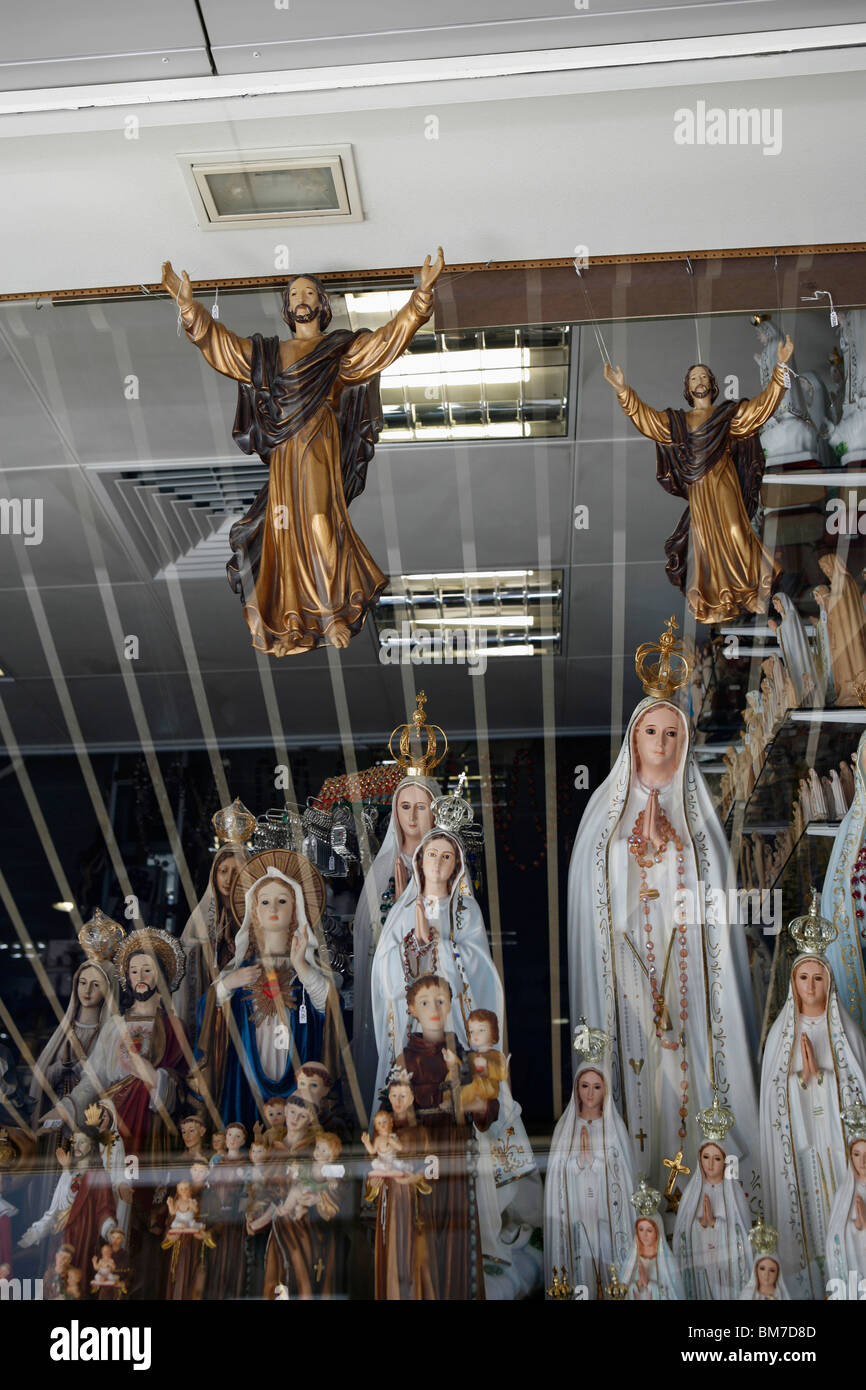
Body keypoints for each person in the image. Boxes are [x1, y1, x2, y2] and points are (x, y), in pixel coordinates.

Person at [160, 255, 444, 656]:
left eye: (309, 292)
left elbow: (382, 344)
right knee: (285, 533)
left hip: (319, 444)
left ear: (321, 303)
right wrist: (190, 308)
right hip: (286, 451)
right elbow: (225, 349)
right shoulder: (270, 353)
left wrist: (421, 298)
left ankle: (331, 612)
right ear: (287, 307)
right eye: (294, 294)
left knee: (319, 522)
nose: (301, 299)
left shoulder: (336, 351)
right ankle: (292, 621)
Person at [568, 691, 759, 1178]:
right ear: (633, 740)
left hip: (687, 962)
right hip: (628, 964)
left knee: (688, 1057)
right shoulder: (605, 813)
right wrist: (636, 853)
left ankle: (700, 1175)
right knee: (638, 1061)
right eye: (650, 732)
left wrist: (672, 849)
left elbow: (711, 891)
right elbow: (594, 895)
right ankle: (641, 1181)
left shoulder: (698, 817)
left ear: (684, 742)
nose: (660, 743)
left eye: (671, 733)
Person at [604, 346, 791, 623]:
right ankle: (725, 598)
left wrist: (780, 370)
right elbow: (649, 421)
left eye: (703, 377)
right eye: (693, 378)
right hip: (699, 488)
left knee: (736, 531)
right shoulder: (680, 422)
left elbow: (760, 409)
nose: (699, 381)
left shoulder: (726, 415)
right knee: (707, 545)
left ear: (712, 384)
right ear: (688, 388)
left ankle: (754, 589)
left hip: (724, 479)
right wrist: (623, 391)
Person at [760, 901, 866, 1299]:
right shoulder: (781, 1036)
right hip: (802, 1149)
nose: (809, 986)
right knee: (807, 1216)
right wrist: (801, 1083)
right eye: (803, 977)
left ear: (829, 981)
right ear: (792, 982)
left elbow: (860, 1093)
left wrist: (820, 1079)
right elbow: (773, 1101)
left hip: (839, 1147)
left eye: (817, 978)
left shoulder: (847, 1034)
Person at [197, 851, 341, 1131]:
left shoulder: (304, 969)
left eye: (282, 901)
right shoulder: (240, 969)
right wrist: (229, 983)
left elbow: (328, 1007)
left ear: (296, 910)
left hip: (296, 1071)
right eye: (265, 902)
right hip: (247, 1075)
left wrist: (301, 966)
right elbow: (208, 1009)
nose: (273, 907)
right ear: (255, 912)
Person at [352, 774, 439, 1107]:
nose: (412, 817)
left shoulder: (446, 861)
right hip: (392, 982)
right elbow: (367, 933)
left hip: (434, 980)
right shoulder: (384, 867)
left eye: (421, 807)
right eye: (405, 807)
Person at [544, 1026, 635, 1300]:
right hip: (577, 1207)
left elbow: (622, 1176)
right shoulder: (566, 1129)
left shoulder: (615, 1129)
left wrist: (594, 1164)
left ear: (605, 1089)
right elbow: (557, 1175)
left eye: (597, 1087)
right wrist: (579, 1164)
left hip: (605, 1211)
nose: (590, 1094)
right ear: (576, 1088)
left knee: (605, 1252)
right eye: (585, 1086)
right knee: (580, 1253)